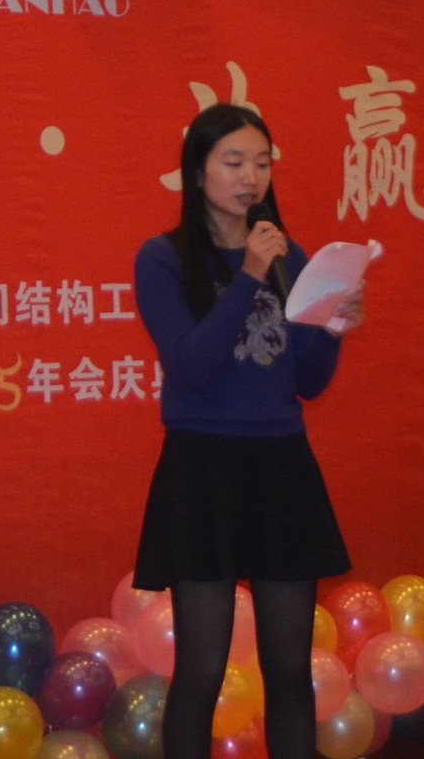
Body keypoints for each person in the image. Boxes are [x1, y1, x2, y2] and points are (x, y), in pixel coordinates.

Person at [133, 102, 363, 759]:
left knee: (289, 671)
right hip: (201, 468)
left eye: (261, 163)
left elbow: (308, 381)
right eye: (233, 162)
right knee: (201, 671)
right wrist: (250, 276)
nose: (250, 177)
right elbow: (191, 364)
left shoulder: (292, 256)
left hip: (280, 466)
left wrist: (332, 326)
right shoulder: (163, 260)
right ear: (196, 171)